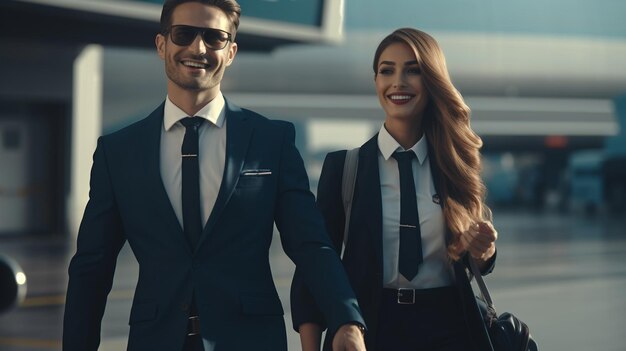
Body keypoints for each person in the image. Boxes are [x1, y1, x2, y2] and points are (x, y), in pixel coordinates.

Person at [62, 1, 366, 350]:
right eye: (184, 34)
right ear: (162, 44)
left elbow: (311, 244)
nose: (198, 48)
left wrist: (346, 318)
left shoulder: (271, 141)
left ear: (231, 51)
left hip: (250, 341)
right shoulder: (118, 152)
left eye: (214, 37)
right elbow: (91, 268)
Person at [291, 28, 499, 351]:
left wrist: (483, 251)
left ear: (431, 80)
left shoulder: (454, 166)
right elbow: (316, 267)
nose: (398, 82)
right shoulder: (345, 168)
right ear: (376, 81)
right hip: (371, 328)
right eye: (387, 70)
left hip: (451, 329)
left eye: (412, 71)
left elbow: (473, 262)